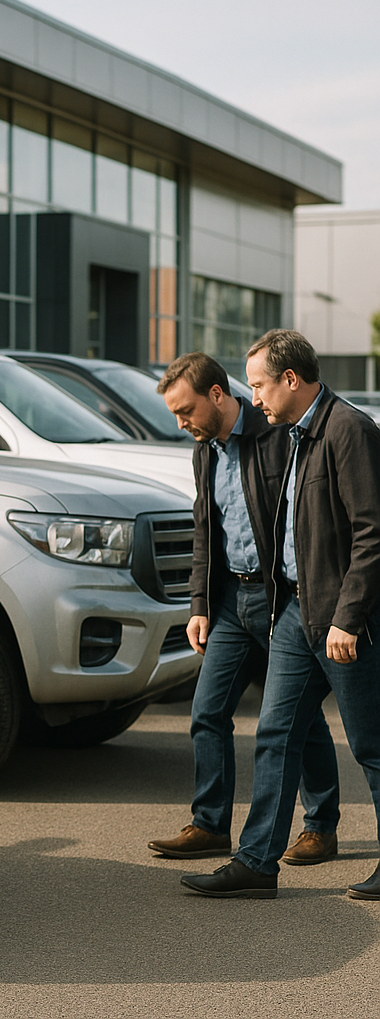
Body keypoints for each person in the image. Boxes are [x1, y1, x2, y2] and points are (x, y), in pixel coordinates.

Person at [182, 329, 380, 899]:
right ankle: (256, 863)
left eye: (260, 384)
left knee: (370, 744)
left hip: (343, 619)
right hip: (295, 610)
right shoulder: (294, 435)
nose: (256, 396)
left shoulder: (348, 430)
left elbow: (373, 532)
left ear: (291, 379)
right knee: (275, 733)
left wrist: (349, 615)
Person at [149, 352, 340, 864]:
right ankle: (210, 825)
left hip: (281, 598)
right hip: (232, 602)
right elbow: (205, 531)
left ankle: (320, 826)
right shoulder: (205, 450)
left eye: (185, 409)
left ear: (216, 394)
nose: (181, 421)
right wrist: (199, 604)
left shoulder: (277, 433)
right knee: (207, 712)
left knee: (296, 720)